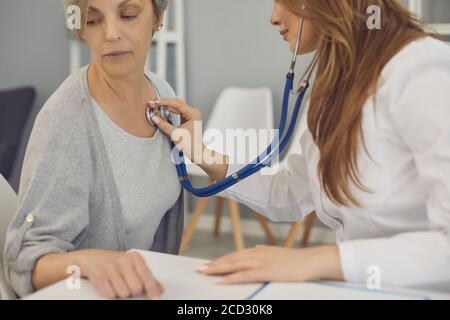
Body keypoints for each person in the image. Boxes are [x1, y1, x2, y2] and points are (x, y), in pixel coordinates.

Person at [149, 0, 450, 289]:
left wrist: (314, 261)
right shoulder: (337, 85)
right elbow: (290, 190)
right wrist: (200, 153)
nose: (273, 17)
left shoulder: (420, 69)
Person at [4, 0, 182, 299]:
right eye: (93, 20)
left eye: (128, 15)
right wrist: (86, 262)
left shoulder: (162, 93)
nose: (111, 33)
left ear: (158, 17)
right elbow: (23, 261)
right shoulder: (66, 118)